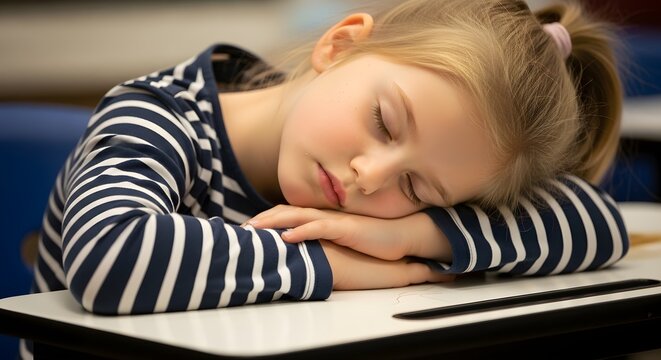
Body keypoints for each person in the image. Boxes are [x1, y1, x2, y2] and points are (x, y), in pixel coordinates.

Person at [23, 0, 627, 357]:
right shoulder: (159, 116)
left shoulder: (394, 214)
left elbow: (597, 225)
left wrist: (415, 238)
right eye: (384, 123)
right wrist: (346, 267)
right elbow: (109, 256)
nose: (372, 176)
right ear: (341, 46)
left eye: (417, 188)